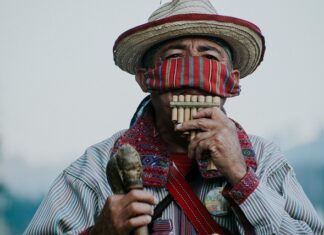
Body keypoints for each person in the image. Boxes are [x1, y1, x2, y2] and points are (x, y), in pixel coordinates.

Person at [25, 0, 324, 234]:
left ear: (230, 82)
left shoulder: (267, 161)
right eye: (174, 58)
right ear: (145, 79)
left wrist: (242, 177)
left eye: (209, 58)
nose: (192, 77)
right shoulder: (92, 172)